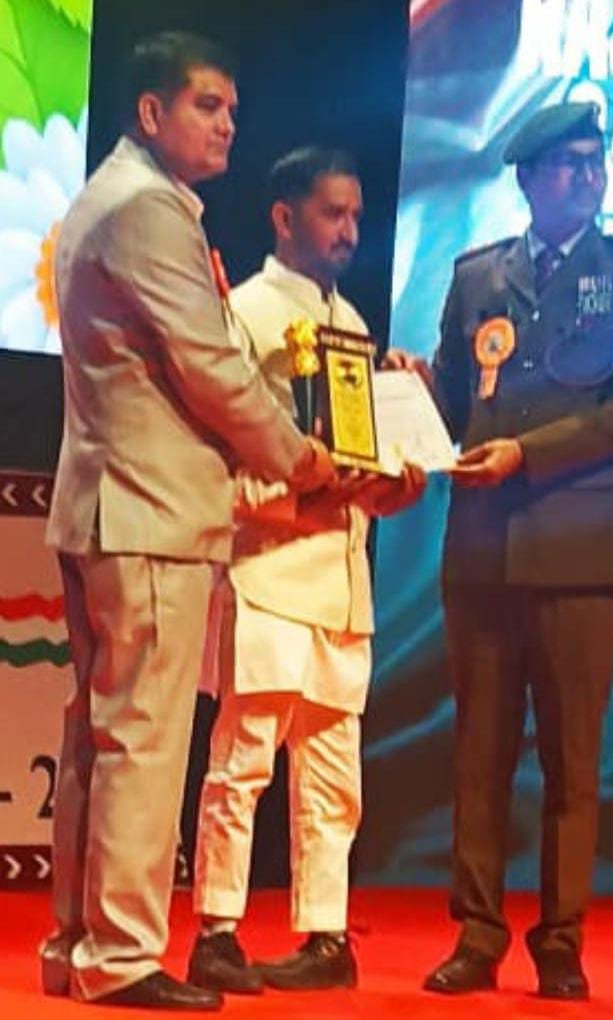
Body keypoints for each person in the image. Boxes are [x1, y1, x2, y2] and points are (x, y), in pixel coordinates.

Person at [39, 33, 335, 1012]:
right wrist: (302, 462)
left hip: (109, 505)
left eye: (233, 110)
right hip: (150, 511)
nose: (228, 125)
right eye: (208, 106)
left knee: (101, 738)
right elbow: (212, 370)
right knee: (141, 741)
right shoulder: (148, 209)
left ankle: (78, 943)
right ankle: (122, 954)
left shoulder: (106, 198)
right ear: (151, 112)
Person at [392, 102, 613, 1000]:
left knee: (569, 763)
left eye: (596, 162)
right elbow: (454, 409)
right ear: (526, 179)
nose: (587, 177)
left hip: (579, 557)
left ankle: (560, 941)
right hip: (481, 551)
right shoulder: (479, 276)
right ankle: (477, 935)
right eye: (567, 164)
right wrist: (411, 392)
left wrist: (526, 454)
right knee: (477, 756)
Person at [186, 146, 425, 995]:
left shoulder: (352, 324)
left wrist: (397, 477)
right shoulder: (243, 315)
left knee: (333, 775)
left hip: (341, 580)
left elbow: (360, 462)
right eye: (333, 213)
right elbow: (219, 459)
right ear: (285, 218)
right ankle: (217, 928)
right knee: (243, 761)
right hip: (268, 570)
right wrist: (304, 499)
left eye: (356, 215)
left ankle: (327, 933)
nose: (350, 230)